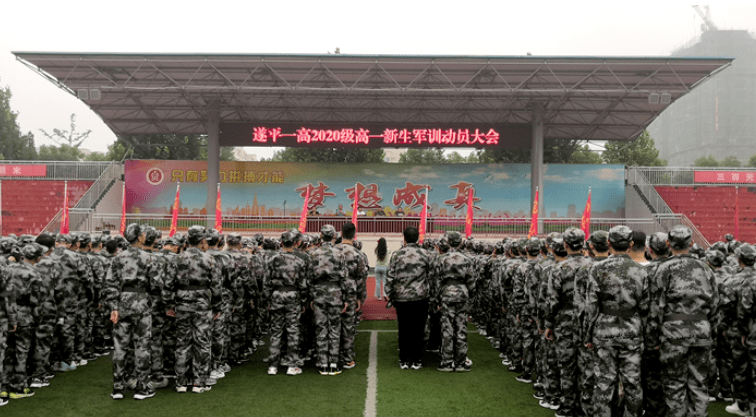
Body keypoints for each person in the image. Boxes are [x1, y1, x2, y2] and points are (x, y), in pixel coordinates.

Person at [647, 225, 718, 417]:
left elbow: (655, 308)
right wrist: (712, 332)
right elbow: (714, 305)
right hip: (701, 331)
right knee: (698, 384)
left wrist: (652, 339)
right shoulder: (706, 268)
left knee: (674, 384)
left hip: (673, 333)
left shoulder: (663, 269)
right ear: (692, 243)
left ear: (668, 244)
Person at [584, 225, 649, 417]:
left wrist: (588, 334)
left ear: (609, 243)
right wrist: (645, 334)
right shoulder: (641, 271)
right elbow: (645, 308)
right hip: (632, 330)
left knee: (604, 382)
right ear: (630, 244)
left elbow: (591, 307)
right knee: (632, 382)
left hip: (604, 330)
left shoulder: (596, 269)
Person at [105, 224, 162, 400]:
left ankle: (118, 388)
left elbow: (110, 285)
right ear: (139, 238)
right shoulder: (150, 258)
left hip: (122, 304)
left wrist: (113, 307)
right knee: (142, 346)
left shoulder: (117, 258)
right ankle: (142, 387)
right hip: (142, 304)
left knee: (120, 347)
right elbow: (157, 285)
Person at [163, 225, 223, 394]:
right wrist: (217, 306)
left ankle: (181, 382)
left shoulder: (176, 259)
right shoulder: (209, 259)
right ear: (203, 240)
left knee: (182, 343)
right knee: (202, 343)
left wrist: (168, 304)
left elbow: (168, 285)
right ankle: (199, 382)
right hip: (203, 305)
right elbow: (216, 286)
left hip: (182, 304)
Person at [387, 226, 432, 370]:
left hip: (402, 297)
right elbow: (432, 276)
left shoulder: (397, 254)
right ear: (418, 237)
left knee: (404, 328)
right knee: (419, 329)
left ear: (404, 238)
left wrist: (390, 294)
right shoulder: (426, 254)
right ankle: (417, 359)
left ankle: (404, 360)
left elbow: (390, 277)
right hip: (421, 297)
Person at [308, 225, 350, 375]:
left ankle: (322, 364)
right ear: (333, 236)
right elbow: (345, 278)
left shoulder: (314, 254)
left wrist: (312, 296)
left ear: (320, 236)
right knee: (334, 329)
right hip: (335, 294)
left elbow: (310, 278)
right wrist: (346, 298)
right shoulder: (339, 254)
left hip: (319, 294)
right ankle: (333, 363)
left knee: (321, 329)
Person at [431, 232, 474, 372]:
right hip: (462, 294)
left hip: (446, 294)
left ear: (448, 242)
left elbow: (436, 280)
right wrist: (470, 295)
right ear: (461, 242)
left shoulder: (441, 259)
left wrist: (437, 298)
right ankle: (460, 362)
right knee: (461, 328)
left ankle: (447, 362)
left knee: (447, 329)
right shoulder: (467, 259)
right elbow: (472, 281)